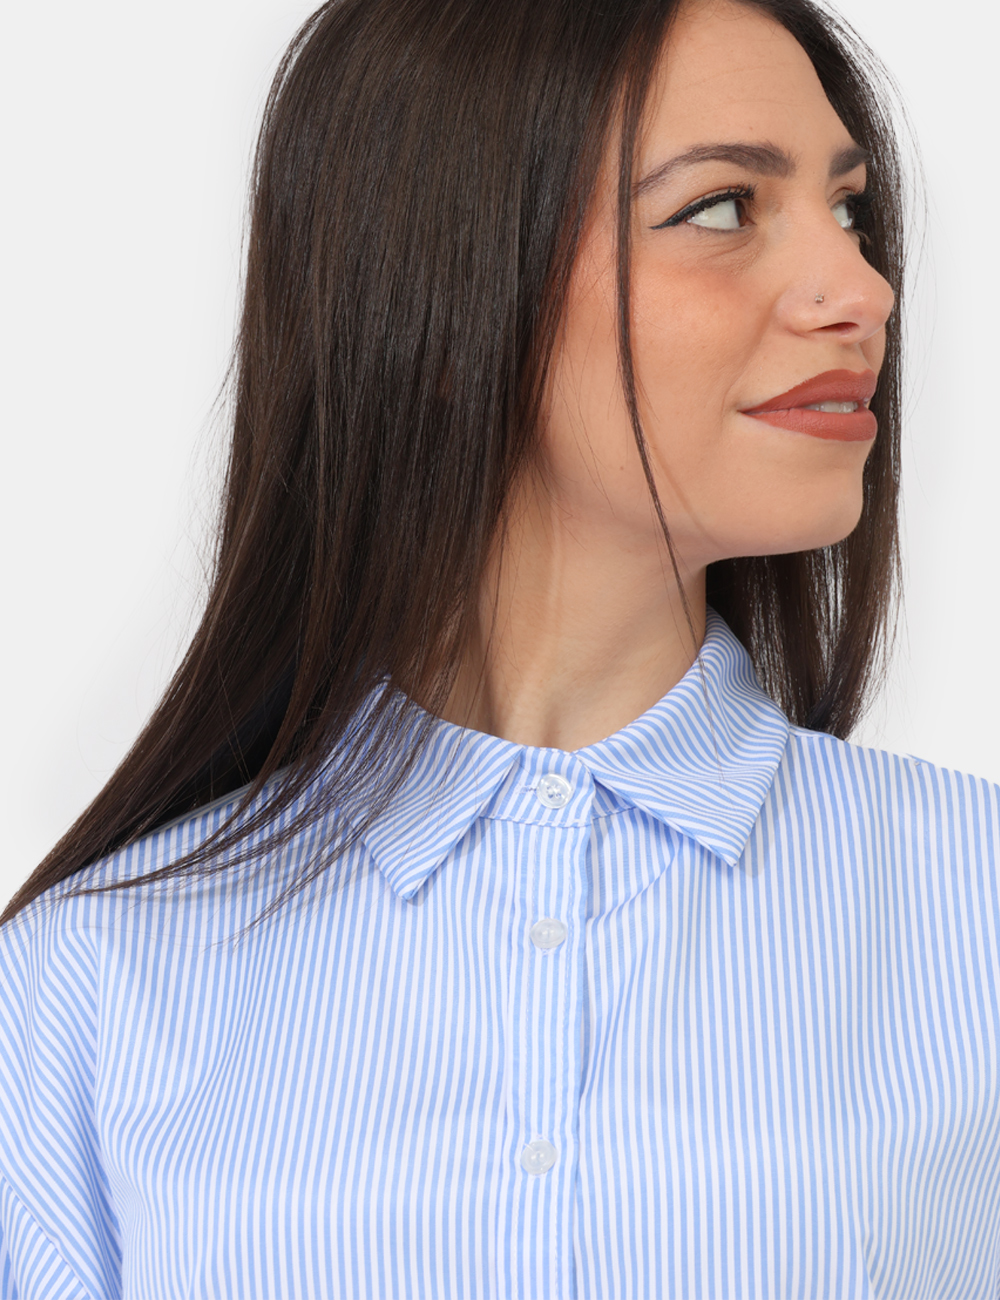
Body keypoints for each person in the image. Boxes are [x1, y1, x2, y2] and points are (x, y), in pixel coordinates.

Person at [2, 0, 997, 1295]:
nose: (863, 291)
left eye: (850, 210)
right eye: (721, 209)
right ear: (439, 290)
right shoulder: (88, 983)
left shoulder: (976, 907)